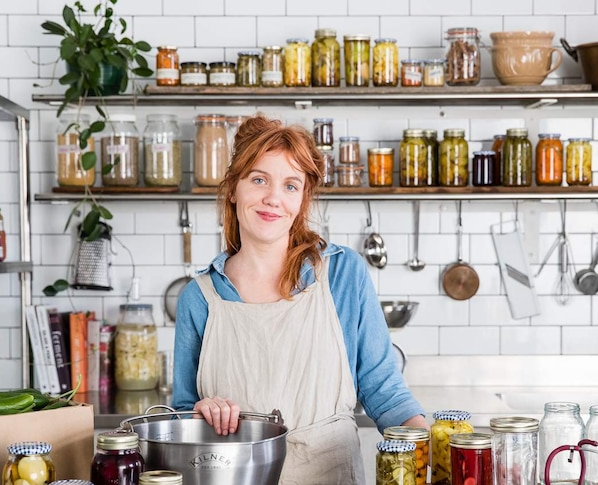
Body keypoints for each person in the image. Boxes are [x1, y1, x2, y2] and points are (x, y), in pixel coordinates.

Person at [172, 114, 427, 483]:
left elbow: (383, 390)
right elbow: (183, 417)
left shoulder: (341, 275)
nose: (273, 198)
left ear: (303, 199)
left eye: (291, 186)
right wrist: (201, 412)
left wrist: (433, 450)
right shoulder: (199, 297)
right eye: (259, 179)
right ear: (233, 189)